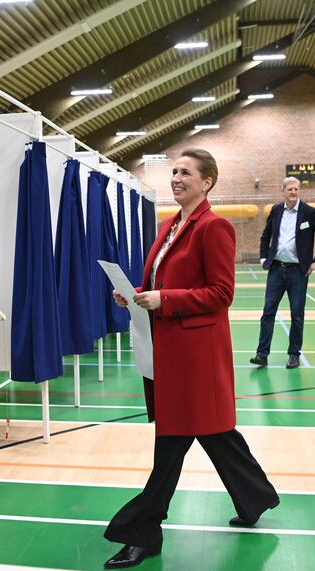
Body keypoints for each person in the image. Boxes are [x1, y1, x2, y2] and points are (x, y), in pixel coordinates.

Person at [103, 149, 279, 569]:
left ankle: (141, 532)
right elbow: (158, 282)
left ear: (207, 182)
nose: (177, 178)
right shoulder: (168, 227)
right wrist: (135, 294)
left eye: (186, 172)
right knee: (216, 434)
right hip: (167, 352)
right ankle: (256, 497)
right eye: (175, 171)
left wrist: (163, 299)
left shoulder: (214, 228)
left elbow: (221, 294)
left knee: (171, 446)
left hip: (195, 359)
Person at [249, 177, 315, 369]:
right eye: (290, 189)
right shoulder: (276, 210)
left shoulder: (309, 212)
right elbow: (265, 235)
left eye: (296, 189)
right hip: (276, 270)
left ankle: (294, 354)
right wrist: (263, 257)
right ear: (283, 191)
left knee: (297, 314)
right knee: (268, 312)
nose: (293, 192)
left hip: (298, 272)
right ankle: (262, 354)